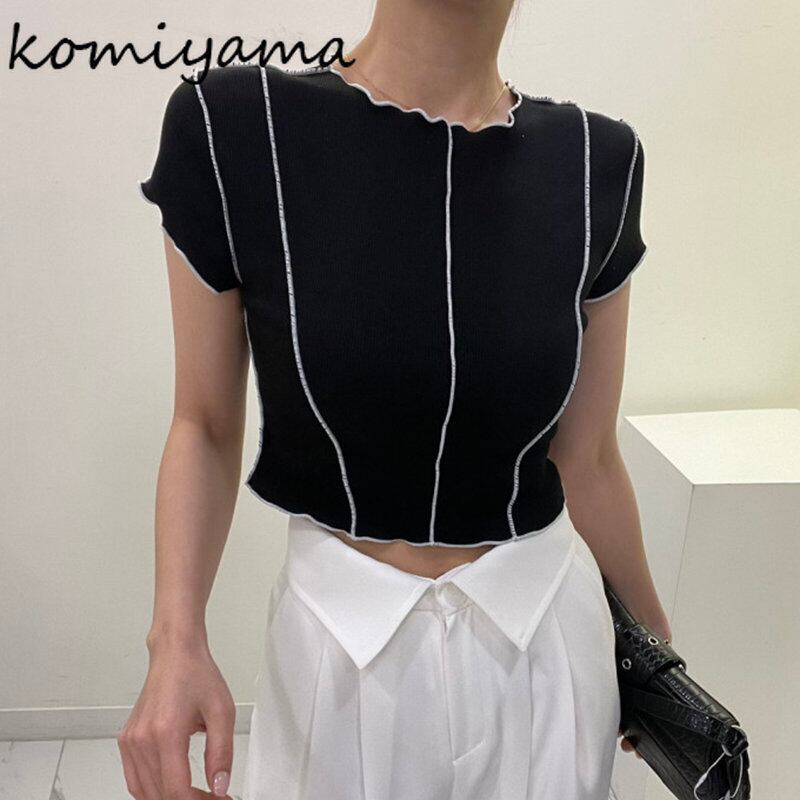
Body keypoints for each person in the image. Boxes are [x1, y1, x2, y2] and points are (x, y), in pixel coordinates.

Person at [121, 1, 672, 798]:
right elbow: (203, 424)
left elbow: (587, 458)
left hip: (550, 648)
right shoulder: (238, 129)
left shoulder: (597, 162)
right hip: (335, 661)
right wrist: (175, 640)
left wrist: (659, 661)